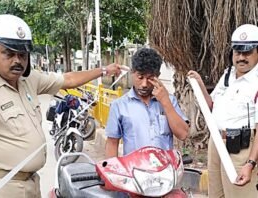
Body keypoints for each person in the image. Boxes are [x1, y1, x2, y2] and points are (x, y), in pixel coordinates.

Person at [0, 14, 124, 198]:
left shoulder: (29, 80)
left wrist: (104, 70)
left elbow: (68, 79)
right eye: (9, 53)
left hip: (31, 183)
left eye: (22, 54)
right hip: (3, 186)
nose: (17, 60)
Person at [187, 24, 258, 198]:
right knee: (215, 195)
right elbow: (212, 107)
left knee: (240, 194)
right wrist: (200, 85)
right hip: (216, 143)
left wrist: (250, 163)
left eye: (247, 52)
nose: (241, 57)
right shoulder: (228, 75)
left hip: (241, 149)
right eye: (237, 52)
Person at [105, 47, 189, 158]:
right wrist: (113, 173)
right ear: (132, 73)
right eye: (140, 77)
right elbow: (112, 142)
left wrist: (165, 102)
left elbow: (183, 134)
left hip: (165, 171)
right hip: (134, 171)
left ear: (158, 75)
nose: (144, 84)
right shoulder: (119, 106)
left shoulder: (169, 101)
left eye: (150, 78)